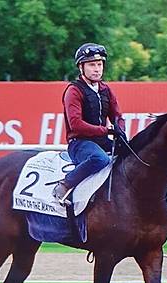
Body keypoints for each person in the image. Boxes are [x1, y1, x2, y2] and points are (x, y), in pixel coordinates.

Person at [52, 43, 127, 205]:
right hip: (79, 143)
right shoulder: (74, 91)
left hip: (101, 140)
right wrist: (106, 130)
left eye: (99, 65)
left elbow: (117, 116)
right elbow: (76, 125)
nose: (97, 69)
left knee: (131, 153)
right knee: (100, 159)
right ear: (81, 67)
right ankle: (65, 185)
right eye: (92, 65)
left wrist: (121, 131)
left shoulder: (106, 89)